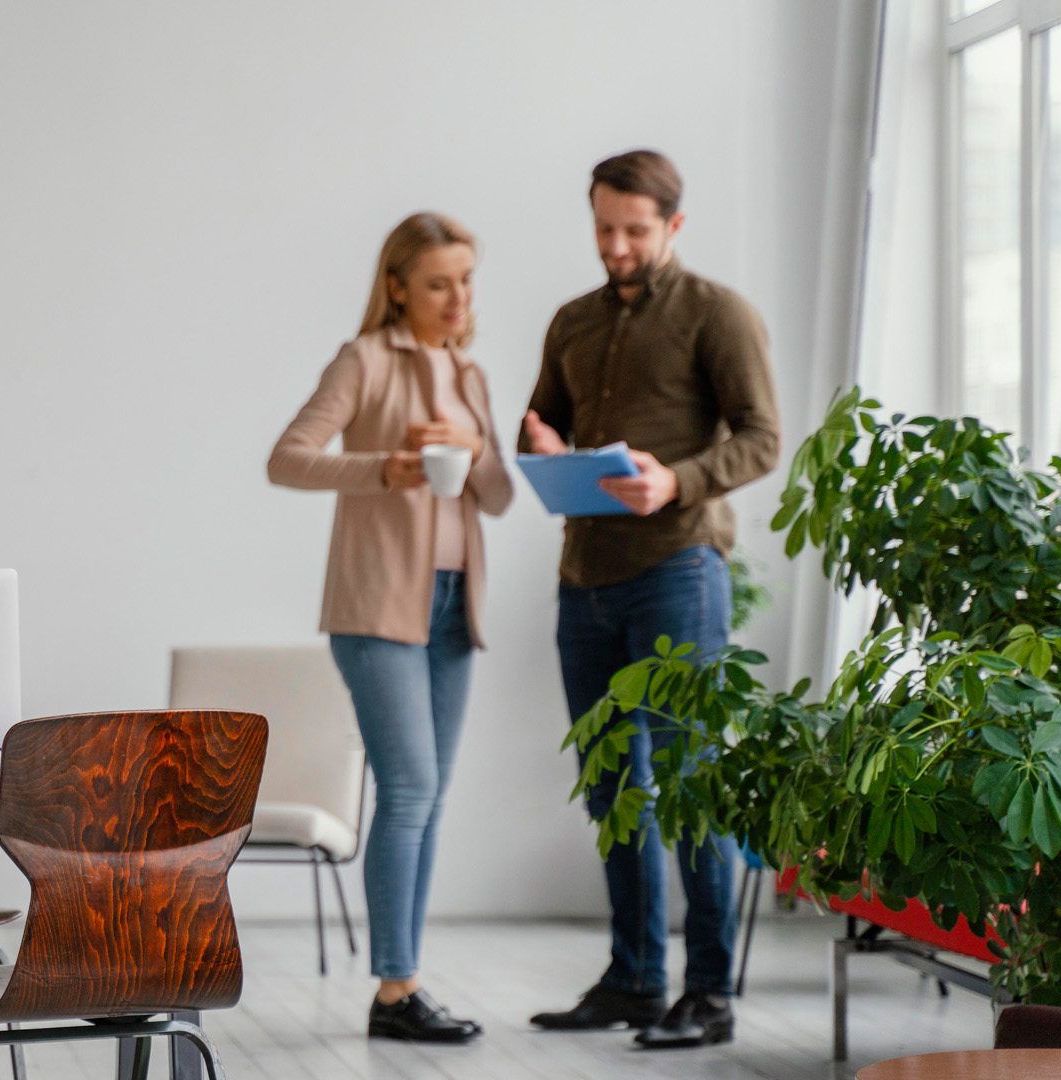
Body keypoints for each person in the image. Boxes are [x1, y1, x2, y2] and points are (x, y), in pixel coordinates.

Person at [521, 150, 780, 1049]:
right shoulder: (572, 321)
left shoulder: (718, 314)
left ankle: (707, 993)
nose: (617, 245)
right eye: (604, 228)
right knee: (608, 787)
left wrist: (678, 480)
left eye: (635, 229)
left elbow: (762, 438)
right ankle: (635, 978)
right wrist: (544, 440)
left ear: (674, 225)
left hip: (678, 570)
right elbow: (544, 419)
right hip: (582, 575)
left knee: (686, 784)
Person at [268, 212, 514, 1043]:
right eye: (439, 282)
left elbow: (501, 497)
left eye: (466, 280)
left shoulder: (470, 375)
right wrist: (388, 468)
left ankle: (401, 987)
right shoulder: (364, 360)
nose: (457, 297)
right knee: (408, 790)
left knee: (430, 797)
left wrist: (475, 451)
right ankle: (397, 990)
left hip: (453, 605)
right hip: (377, 606)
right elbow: (288, 457)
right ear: (399, 285)